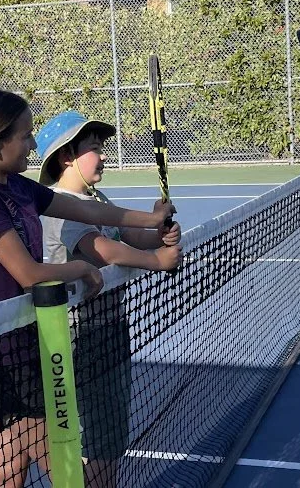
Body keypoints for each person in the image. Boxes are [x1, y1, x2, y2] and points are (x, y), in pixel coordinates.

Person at [0, 87, 176, 488]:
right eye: (26, 136)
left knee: (12, 456)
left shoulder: (17, 185)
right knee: (62, 464)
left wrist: (149, 221)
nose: (33, 145)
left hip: (34, 336)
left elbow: (87, 209)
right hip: (5, 352)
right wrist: (81, 267)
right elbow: (29, 273)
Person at [35, 110, 183, 486]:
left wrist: (159, 232)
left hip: (108, 328)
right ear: (67, 156)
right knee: (99, 438)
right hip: (80, 336)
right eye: (94, 148)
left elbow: (132, 238)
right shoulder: (59, 206)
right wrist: (158, 261)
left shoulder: (95, 197)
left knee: (109, 434)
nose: (103, 156)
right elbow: (102, 250)